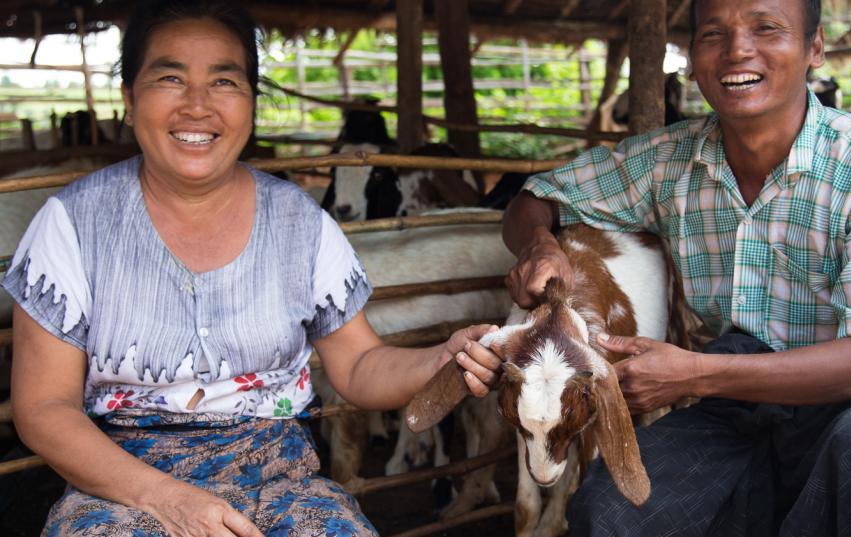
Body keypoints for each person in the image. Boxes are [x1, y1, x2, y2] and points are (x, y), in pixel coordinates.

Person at [2, 2, 501, 536]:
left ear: (252, 103)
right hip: (120, 486)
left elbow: (358, 368)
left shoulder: (300, 222)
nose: (198, 106)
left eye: (224, 82)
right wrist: (166, 498)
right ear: (128, 98)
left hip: (280, 483)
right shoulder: (73, 224)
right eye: (170, 77)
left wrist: (441, 360)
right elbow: (43, 406)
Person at [502, 0, 851, 535]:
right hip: (733, 404)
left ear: (815, 48)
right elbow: (536, 196)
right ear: (692, 60)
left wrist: (693, 374)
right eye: (714, 34)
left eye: (767, 28)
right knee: (610, 509)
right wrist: (538, 242)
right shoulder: (669, 160)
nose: (738, 49)